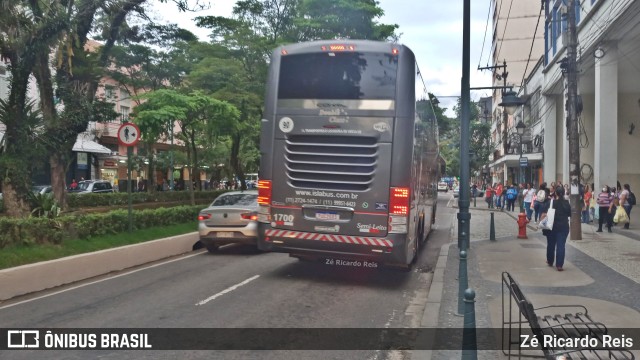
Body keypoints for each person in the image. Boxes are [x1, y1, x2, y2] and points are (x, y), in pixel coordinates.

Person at [539, 185, 572, 271]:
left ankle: (550, 261)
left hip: (552, 226)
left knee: (551, 244)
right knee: (561, 246)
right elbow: (569, 214)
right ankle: (559, 265)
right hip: (563, 226)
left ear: (556, 193)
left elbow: (545, 212)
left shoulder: (552, 202)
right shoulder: (566, 203)